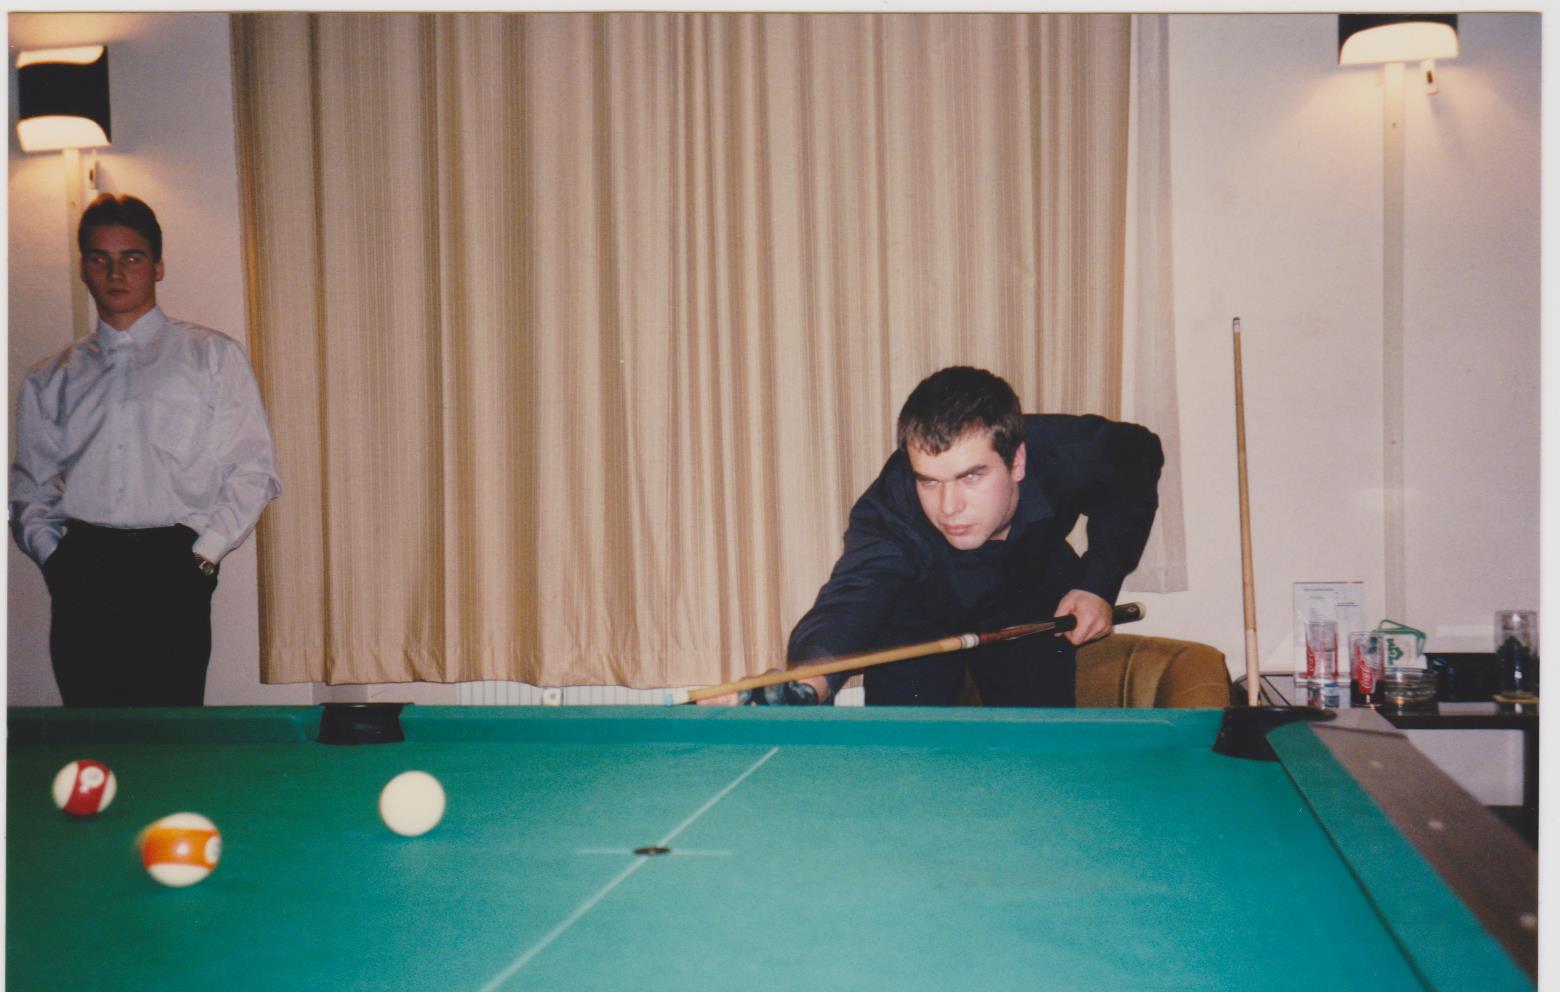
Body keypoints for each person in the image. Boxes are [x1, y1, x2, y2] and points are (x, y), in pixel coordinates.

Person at [752, 365, 1161, 706]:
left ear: (1017, 461)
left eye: (971, 476)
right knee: (908, 757)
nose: (948, 507)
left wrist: (1098, 583)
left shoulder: (1068, 452)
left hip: (1029, 599)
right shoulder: (890, 509)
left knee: (1038, 752)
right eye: (930, 481)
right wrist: (806, 684)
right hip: (918, 618)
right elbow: (851, 599)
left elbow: (1140, 459)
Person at [9, 193, 282, 706]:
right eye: (100, 259)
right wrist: (55, 559)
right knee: (91, 729)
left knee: (169, 732)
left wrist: (204, 555)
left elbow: (253, 470)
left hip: (173, 566)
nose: (115, 272)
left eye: (131, 257)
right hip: (84, 566)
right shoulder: (51, 377)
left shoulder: (210, 356)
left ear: (157, 266)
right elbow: (29, 488)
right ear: (84, 269)